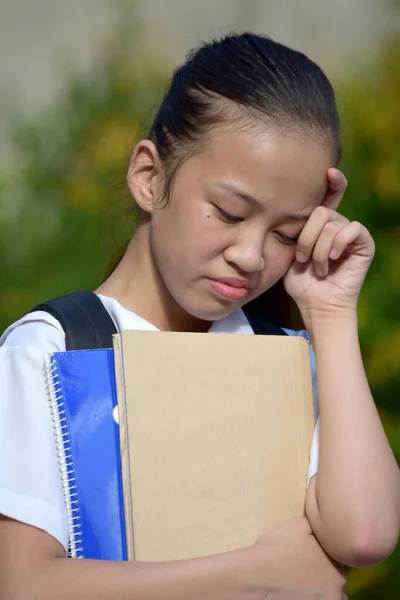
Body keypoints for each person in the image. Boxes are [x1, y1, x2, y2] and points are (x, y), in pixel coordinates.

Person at [0, 32, 398, 600]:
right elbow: (21, 584)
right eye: (229, 213)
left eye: (287, 232)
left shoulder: (287, 359)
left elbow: (364, 536)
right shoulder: (49, 352)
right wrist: (256, 571)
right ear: (149, 176)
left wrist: (330, 315)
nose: (252, 255)